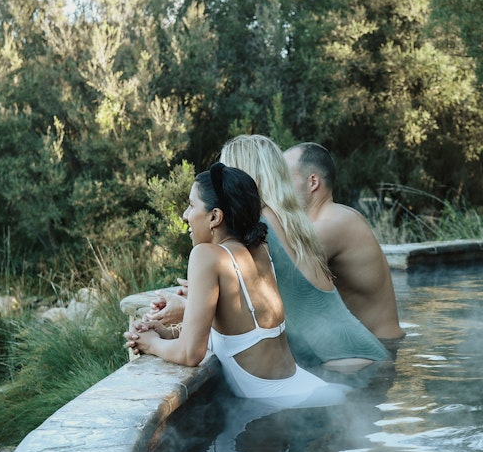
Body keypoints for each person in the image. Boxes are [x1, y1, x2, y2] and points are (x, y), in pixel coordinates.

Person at [147, 135, 390, 369]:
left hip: (345, 364)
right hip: (361, 355)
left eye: (226, 172)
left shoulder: (260, 227)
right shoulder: (288, 219)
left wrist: (188, 307)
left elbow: (248, 311)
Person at [124, 162, 347, 406]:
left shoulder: (206, 256)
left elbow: (190, 354)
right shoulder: (259, 249)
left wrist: (152, 344)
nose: (186, 216)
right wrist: (171, 333)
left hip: (285, 405)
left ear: (215, 217)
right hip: (313, 391)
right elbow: (236, 325)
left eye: (191, 205)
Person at [283, 142, 404, 343]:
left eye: (284, 178)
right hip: (375, 346)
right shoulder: (340, 215)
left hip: (377, 354)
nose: (279, 187)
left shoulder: (331, 226)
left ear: (313, 182)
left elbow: (275, 277)